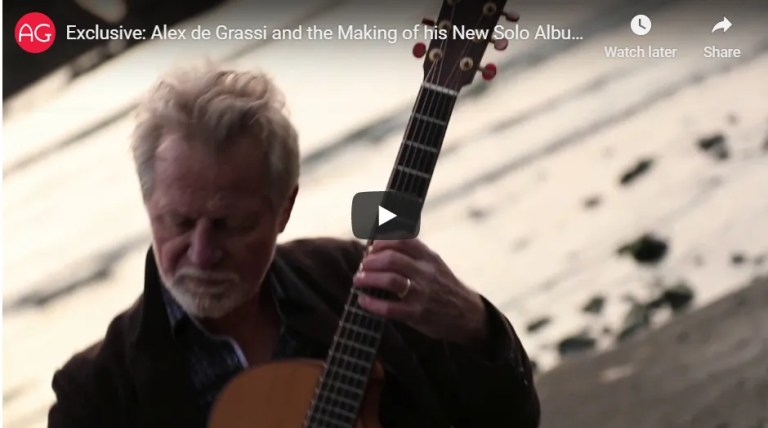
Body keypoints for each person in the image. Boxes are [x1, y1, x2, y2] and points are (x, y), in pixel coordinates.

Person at [48, 65, 540, 428]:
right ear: (148, 202)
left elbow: (509, 420)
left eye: (231, 224)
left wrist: (476, 326)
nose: (201, 253)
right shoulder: (96, 393)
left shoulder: (352, 278)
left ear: (284, 209)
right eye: (178, 222)